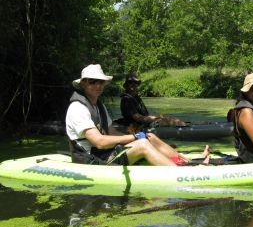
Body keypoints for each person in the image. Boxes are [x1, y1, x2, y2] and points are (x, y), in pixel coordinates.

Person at [65, 64, 198, 166]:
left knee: (149, 136)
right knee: (143, 144)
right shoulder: (78, 108)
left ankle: (184, 162)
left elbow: (110, 131)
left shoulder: (99, 106)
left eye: (101, 81)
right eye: (92, 81)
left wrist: (136, 137)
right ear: (83, 83)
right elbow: (99, 142)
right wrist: (134, 138)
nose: (98, 85)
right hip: (91, 160)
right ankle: (180, 174)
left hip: (103, 154)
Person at [120, 73, 187, 129]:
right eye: (130, 82)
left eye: (135, 82)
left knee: (172, 119)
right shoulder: (126, 100)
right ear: (126, 85)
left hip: (144, 123)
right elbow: (138, 118)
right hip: (137, 126)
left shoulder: (136, 98)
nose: (133, 84)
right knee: (172, 121)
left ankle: (185, 126)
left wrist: (156, 118)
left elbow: (145, 115)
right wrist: (155, 119)